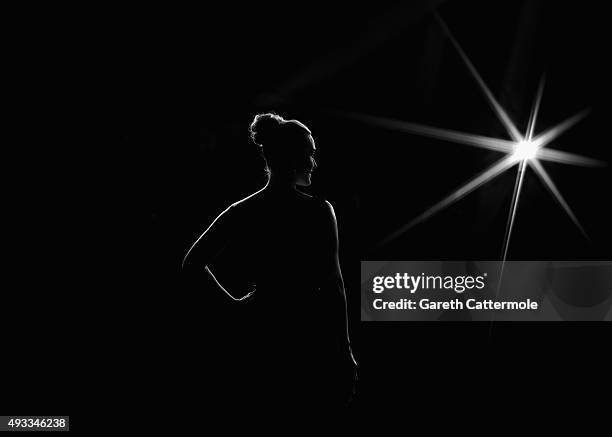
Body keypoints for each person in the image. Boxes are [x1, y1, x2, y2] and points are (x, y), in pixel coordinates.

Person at [182, 113, 357, 408]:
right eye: (310, 154)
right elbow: (334, 286)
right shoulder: (318, 212)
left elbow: (192, 264)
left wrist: (235, 309)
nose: (314, 163)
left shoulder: (243, 210)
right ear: (293, 157)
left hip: (258, 337)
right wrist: (344, 350)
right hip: (306, 338)